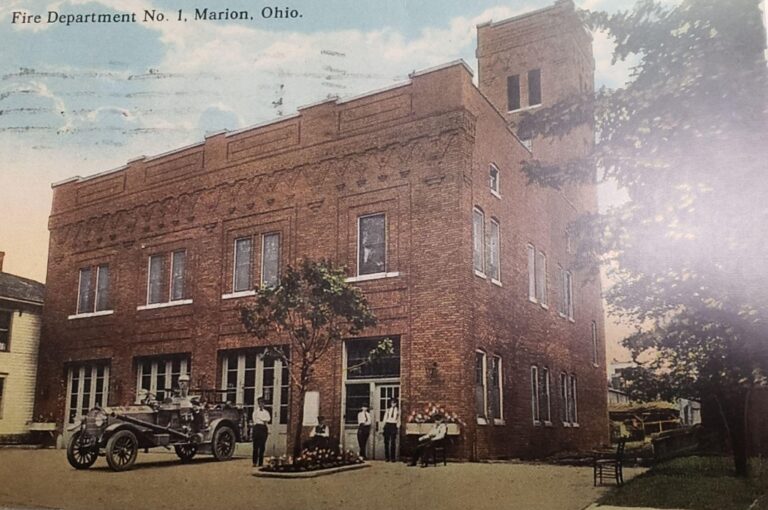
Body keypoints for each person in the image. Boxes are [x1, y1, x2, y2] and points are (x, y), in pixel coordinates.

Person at [252, 397, 271, 467]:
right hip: (257, 428)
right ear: (258, 403)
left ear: (264, 404)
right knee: (255, 446)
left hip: (263, 428)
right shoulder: (255, 412)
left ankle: (260, 462)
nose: (261, 404)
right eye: (260, 403)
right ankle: (254, 462)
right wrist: (263, 419)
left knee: (262, 446)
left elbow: (268, 419)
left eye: (262, 403)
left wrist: (262, 419)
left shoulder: (266, 412)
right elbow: (255, 419)